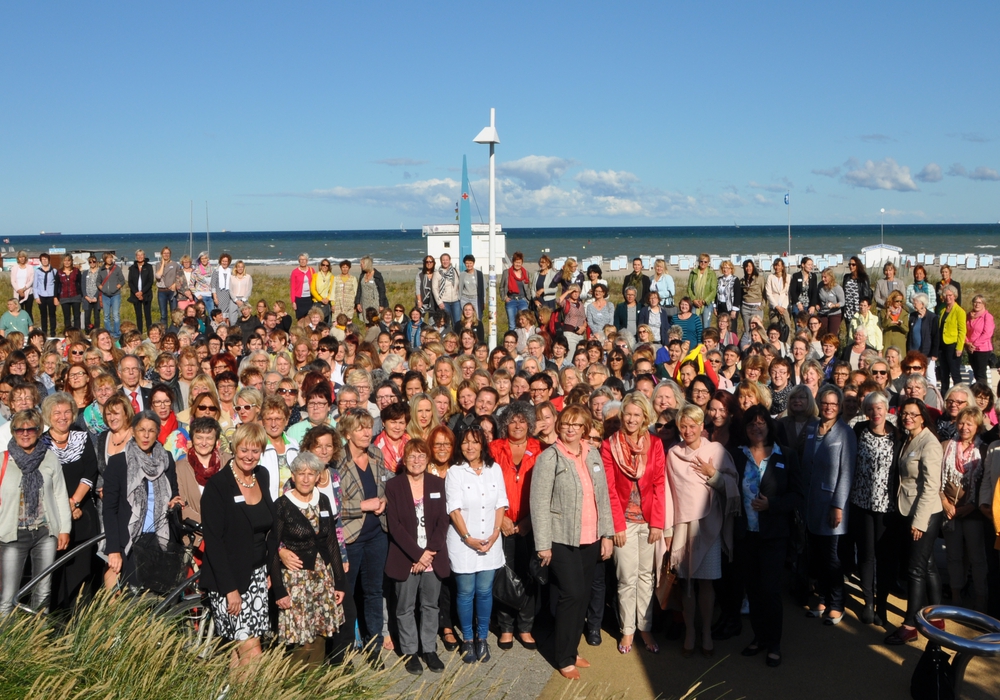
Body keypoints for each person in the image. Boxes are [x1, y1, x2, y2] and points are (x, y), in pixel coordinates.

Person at [531, 405, 614, 680]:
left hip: (591, 537)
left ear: (584, 428)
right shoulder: (549, 458)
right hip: (560, 538)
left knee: (584, 594)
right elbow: (539, 503)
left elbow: (603, 498)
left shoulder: (593, 455)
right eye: (566, 423)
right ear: (559, 425)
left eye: (577, 425)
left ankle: (572, 648)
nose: (570, 429)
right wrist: (543, 544)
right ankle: (564, 656)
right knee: (572, 594)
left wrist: (607, 534)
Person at [200, 422, 283, 666]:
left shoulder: (262, 476)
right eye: (244, 450)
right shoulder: (218, 486)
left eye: (255, 451)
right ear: (234, 448)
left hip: (257, 577)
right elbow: (213, 543)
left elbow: (270, 528)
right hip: (230, 580)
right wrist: (230, 589)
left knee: (241, 649)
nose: (249, 456)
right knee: (251, 650)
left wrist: (270, 569)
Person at [665, 404, 740, 657]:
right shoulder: (673, 453)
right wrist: (667, 530)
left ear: (701, 427)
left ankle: (706, 631)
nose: (687, 430)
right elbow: (667, 493)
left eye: (692, 425)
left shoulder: (716, 450)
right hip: (683, 528)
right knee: (686, 583)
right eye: (683, 426)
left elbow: (732, 486)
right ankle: (690, 632)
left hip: (710, 526)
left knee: (706, 584)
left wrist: (713, 475)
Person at [733, 405, 801, 667]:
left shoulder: (786, 455)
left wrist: (772, 504)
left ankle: (774, 643)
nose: (757, 427)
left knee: (770, 591)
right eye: (751, 423)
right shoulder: (737, 456)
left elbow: (797, 495)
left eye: (762, 423)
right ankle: (759, 638)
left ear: (769, 426)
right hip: (745, 535)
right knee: (753, 589)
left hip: (774, 536)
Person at [602, 393, 665, 655]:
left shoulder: (656, 444)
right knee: (626, 577)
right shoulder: (609, 445)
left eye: (637, 415)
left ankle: (645, 626)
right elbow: (609, 489)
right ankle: (627, 629)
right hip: (624, 521)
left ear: (644, 418)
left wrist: (658, 523)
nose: (631, 419)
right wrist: (616, 525)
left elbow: (659, 483)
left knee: (645, 577)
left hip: (648, 520)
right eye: (628, 414)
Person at [272, 451, 347, 667]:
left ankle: (314, 685)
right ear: (293, 476)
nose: (306, 478)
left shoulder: (322, 500)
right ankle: (293, 687)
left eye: (311, 473)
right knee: (301, 639)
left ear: (317, 476)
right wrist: (279, 589)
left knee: (321, 633)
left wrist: (340, 582)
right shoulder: (282, 504)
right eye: (301, 473)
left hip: (322, 577)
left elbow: (331, 542)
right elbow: (272, 547)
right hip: (296, 580)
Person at [385, 439, 450, 675]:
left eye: (421, 456)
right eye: (412, 456)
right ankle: (410, 651)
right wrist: (417, 554)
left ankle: (429, 649)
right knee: (404, 607)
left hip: (432, 557)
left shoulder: (437, 484)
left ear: (427, 459)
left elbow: (443, 521)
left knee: (430, 605)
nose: (416, 461)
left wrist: (429, 552)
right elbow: (395, 525)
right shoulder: (394, 486)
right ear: (404, 459)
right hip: (407, 557)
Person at [445, 424, 507, 664]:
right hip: (464, 542)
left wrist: (494, 533)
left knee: (484, 592)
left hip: (490, 541)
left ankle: (482, 638)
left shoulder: (495, 469)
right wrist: (468, 537)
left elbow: (501, 503)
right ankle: (468, 640)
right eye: (465, 442)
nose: (470, 446)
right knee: (465, 592)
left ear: (483, 444)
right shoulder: (455, 472)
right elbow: (454, 509)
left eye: (475, 441)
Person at [884, 398, 944, 645]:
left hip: (925, 513)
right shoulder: (909, 437)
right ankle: (937, 616)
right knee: (927, 564)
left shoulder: (929, 443)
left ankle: (910, 625)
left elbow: (931, 486)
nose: (907, 417)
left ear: (922, 416)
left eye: (913, 414)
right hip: (908, 508)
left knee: (915, 569)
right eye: (904, 413)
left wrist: (919, 522)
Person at [0, 410, 72, 615]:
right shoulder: (3, 460)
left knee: (43, 591)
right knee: (8, 594)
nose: (25, 433)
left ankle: (38, 637)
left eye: (30, 429)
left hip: (44, 532)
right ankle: (7, 641)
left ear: (39, 430)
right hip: (12, 534)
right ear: (13, 432)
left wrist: (64, 529)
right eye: (19, 429)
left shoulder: (49, 458)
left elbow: (59, 494)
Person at [103, 411, 184, 588]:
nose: (146, 436)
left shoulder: (166, 458)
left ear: (158, 433)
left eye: (151, 431)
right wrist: (113, 549)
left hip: (161, 538)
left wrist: (175, 502)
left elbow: (173, 490)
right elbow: (109, 509)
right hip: (132, 540)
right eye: (141, 430)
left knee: (160, 598)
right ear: (133, 431)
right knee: (134, 598)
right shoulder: (118, 463)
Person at [336, 408, 391, 660]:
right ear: (347, 433)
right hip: (351, 538)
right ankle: (344, 649)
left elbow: (385, 486)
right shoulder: (338, 462)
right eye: (359, 428)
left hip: (376, 535)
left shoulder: (377, 455)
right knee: (347, 595)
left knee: (373, 592)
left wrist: (383, 501)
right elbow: (333, 504)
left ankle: (374, 647)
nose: (366, 432)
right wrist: (362, 506)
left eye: (368, 426)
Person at [801, 386, 856, 626]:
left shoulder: (846, 433)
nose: (829, 407)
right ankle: (822, 599)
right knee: (817, 554)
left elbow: (847, 472)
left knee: (832, 557)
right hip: (811, 502)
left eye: (834, 404)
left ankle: (836, 603)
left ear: (840, 406)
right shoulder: (812, 427)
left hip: (833, 505)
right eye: (825, 403)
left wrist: (838, 505)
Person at [40, 393, 100, 608]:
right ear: (48, 415)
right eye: (57, 413)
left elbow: (90, 472)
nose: (62, 417)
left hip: (82, 514)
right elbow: (42, 479)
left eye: (66, 412)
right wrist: (62, 508)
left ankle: (81, 623)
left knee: (83, 572)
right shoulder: (41, 443)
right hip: (53, 518)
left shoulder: (81, 437)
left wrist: (73, 502)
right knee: (56, 573)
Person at [490, 401, 541, 651]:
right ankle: (506, 627)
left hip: (531, 525)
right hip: (503, 524)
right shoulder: (493, 449)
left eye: (522, 420)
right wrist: (502, 519)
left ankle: (526, 627)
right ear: (504, 423)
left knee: (528, 575)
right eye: (512, 420)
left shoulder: (539, 448)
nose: (517, 425)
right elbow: (486, 488)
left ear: (530, 423)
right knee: (504, 576)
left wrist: (529, 520)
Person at [849, 392, 899, 625]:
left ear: (887, 409)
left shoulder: (897, 435)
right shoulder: (858, 430)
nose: (875, 413)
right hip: (861, 503)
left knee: (885, 557)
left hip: (888, 507)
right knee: (867, 555)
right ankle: (868, 602)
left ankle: (882, 604)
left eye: (879, 408)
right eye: (871, 409)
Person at [940, 407, 989, 612]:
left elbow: (986, 482)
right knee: (953, 556)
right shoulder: (946, 446)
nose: (964, 427)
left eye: (969, 423)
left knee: (977, 558)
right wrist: (944, 502)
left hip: (974, 512)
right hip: (950, 511)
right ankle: (956, 594)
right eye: (961, 422)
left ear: (977, 426)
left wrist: (972, 505)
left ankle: (981, 598)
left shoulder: (984, 450)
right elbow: (936, 480)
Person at [175, 416, 228, 530]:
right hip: (198, 533)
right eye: (199, 438)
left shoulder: (228, 462)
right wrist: (210, 524)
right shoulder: (180, 467)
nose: (204, 443)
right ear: (192, 439)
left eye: (209, 438)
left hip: (228, 530)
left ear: (216, 440)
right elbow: (183, 506)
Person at [937, 285, 966, 394]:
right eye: (946, 295)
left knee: (955, 373)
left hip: (953, 345)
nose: (948, 297)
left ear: (955, 296)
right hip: (942, 345)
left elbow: (962, 331)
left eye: (950, 295)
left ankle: (960, 395)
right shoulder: (942, 308)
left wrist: (959, 347)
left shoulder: (960, 311)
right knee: (944, 374)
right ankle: (944, 397)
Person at [966, 295, 995, 386]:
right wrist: (967, 343)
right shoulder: (968, 316)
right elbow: (964, 331)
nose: (977, 304)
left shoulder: (987, 316)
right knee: (975, 372)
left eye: (979, 302)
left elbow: (987, 333)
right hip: (970, 348)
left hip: (982, 349)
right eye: (975, 302)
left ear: (984, 304)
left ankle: (983, 394)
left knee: (981, 374)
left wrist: (974, 345)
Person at [97, 252, 125, 337]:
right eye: (108, 258)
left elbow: (122, 280)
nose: (110, 259)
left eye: (111, 258)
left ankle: (117, 333)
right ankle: (108, 332)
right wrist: (102, 288)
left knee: (115, 315)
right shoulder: (101, 270)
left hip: (115, 295)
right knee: (106, 315)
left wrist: (118, 287)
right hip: (105, 295)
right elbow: (98, 281)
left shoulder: (117, 268)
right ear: (104, 259)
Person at [127, 250, 154, 336]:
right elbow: (130, 282)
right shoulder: (132, 267)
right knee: (138, 315)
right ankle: (140, 333)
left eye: (141, 255)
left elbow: (150, 281)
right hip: (135, 295)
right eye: (138, 255)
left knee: (148, 315)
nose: (140, 257)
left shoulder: (149, 267)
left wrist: (142, 292)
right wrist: (136, 293)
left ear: (144, 256)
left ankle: (150, 332)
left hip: (146, 294)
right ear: (136, 256)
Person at [687, 253, 717, 329]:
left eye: (705, 262)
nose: (703, 263)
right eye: (701, 261)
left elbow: (714, 290)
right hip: (695, 303)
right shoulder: (693, 273)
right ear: (698, 261)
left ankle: (705, 340)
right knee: (694, 324)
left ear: (708, 263)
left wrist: (704, 301)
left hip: (706, 304)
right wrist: (694, 300)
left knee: (706, 325)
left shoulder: (712, 274)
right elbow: (689, 288)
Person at [355, 255, 389, 320]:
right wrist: (358, 303)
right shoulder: (362, 275)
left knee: (375, 321)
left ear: (366, 264)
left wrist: (381, 305)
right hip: (364, 303)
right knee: (366, 321)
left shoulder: (377, 275)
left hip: (375, 303)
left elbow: (382, 291)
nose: (360, 265)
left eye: (361, 264)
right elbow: (359, 289)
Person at [431, 253, 461, 325]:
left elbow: (460, 284)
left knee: (457, 322)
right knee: (445, 323)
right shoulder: (437, 273)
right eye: (443, 260)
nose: (445, 261)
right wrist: (439, 302)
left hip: (456, 301)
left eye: (447, 260)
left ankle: (457, 336)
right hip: (444, 302)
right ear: (441, 261)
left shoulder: (456, 271)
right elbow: (434, 288)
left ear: (450, 260)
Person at [841, 255, 871, 325]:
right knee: (850, 332)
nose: (851, 266)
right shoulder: (846, 277)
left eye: (853, 264)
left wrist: (864, 308)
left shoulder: (864, 278)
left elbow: (866, 295)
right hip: (848, 309)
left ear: (857, 265)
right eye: (849, 264)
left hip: (858, 308)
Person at [55, 255, 82, 332]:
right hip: (64, 297)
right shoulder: (59, 272)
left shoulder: (76, 271)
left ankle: (77, 333)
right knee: (67, 317)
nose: (67, 262)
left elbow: (81, 283)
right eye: (65, 260)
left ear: (71, 261)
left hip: (76, 296)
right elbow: (56, 285)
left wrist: (82, 295)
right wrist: (55, 297)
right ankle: (68, 333)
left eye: (68, 260)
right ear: (63, 262)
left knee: (77, 316)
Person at [211, 253, 239, 325]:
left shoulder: (231, 272)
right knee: (221, 315)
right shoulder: (216, 271)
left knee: (228, 317)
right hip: (219, 296)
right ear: (220, 261)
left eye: (226, 261)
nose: (224, 263)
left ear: (229, 262)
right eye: (223, 261)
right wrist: (215, 298)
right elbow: (213, 285)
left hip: (229, 296)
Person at [766, 258, 791, 334]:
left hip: (784, 307)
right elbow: (768, 293)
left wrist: (783, 307)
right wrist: (776, 306)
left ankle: (787, 345)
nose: (777, 267)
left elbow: (788, 293)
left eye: (779, 265)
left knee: (787, 328)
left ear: (782, 266)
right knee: (774, 329)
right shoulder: (770, 277)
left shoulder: (788, 277)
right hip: (774, 307)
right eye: (775, 265)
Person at [816, 268, 844, 338]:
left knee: (832, 335)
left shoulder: (837, 288)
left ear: (831, 277)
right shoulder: (820, 286)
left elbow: (842, 302)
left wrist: (835, 305)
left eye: (825, 277)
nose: (823, 279)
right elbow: (818, 298)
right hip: (823, 313)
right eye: (822, 277)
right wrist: (817, 304)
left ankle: (834, 348)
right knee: (822, 334)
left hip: (834, 313)